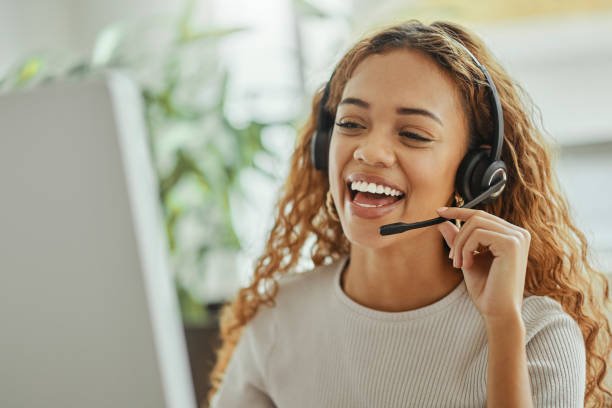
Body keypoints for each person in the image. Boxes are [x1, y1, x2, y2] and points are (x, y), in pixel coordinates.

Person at [207, 20, 611, 407]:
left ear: (477, 175)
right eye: (351, 123)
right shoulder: (282, 316)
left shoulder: (535, 332)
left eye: (413, 134)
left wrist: (502, 324)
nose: (370, 151)